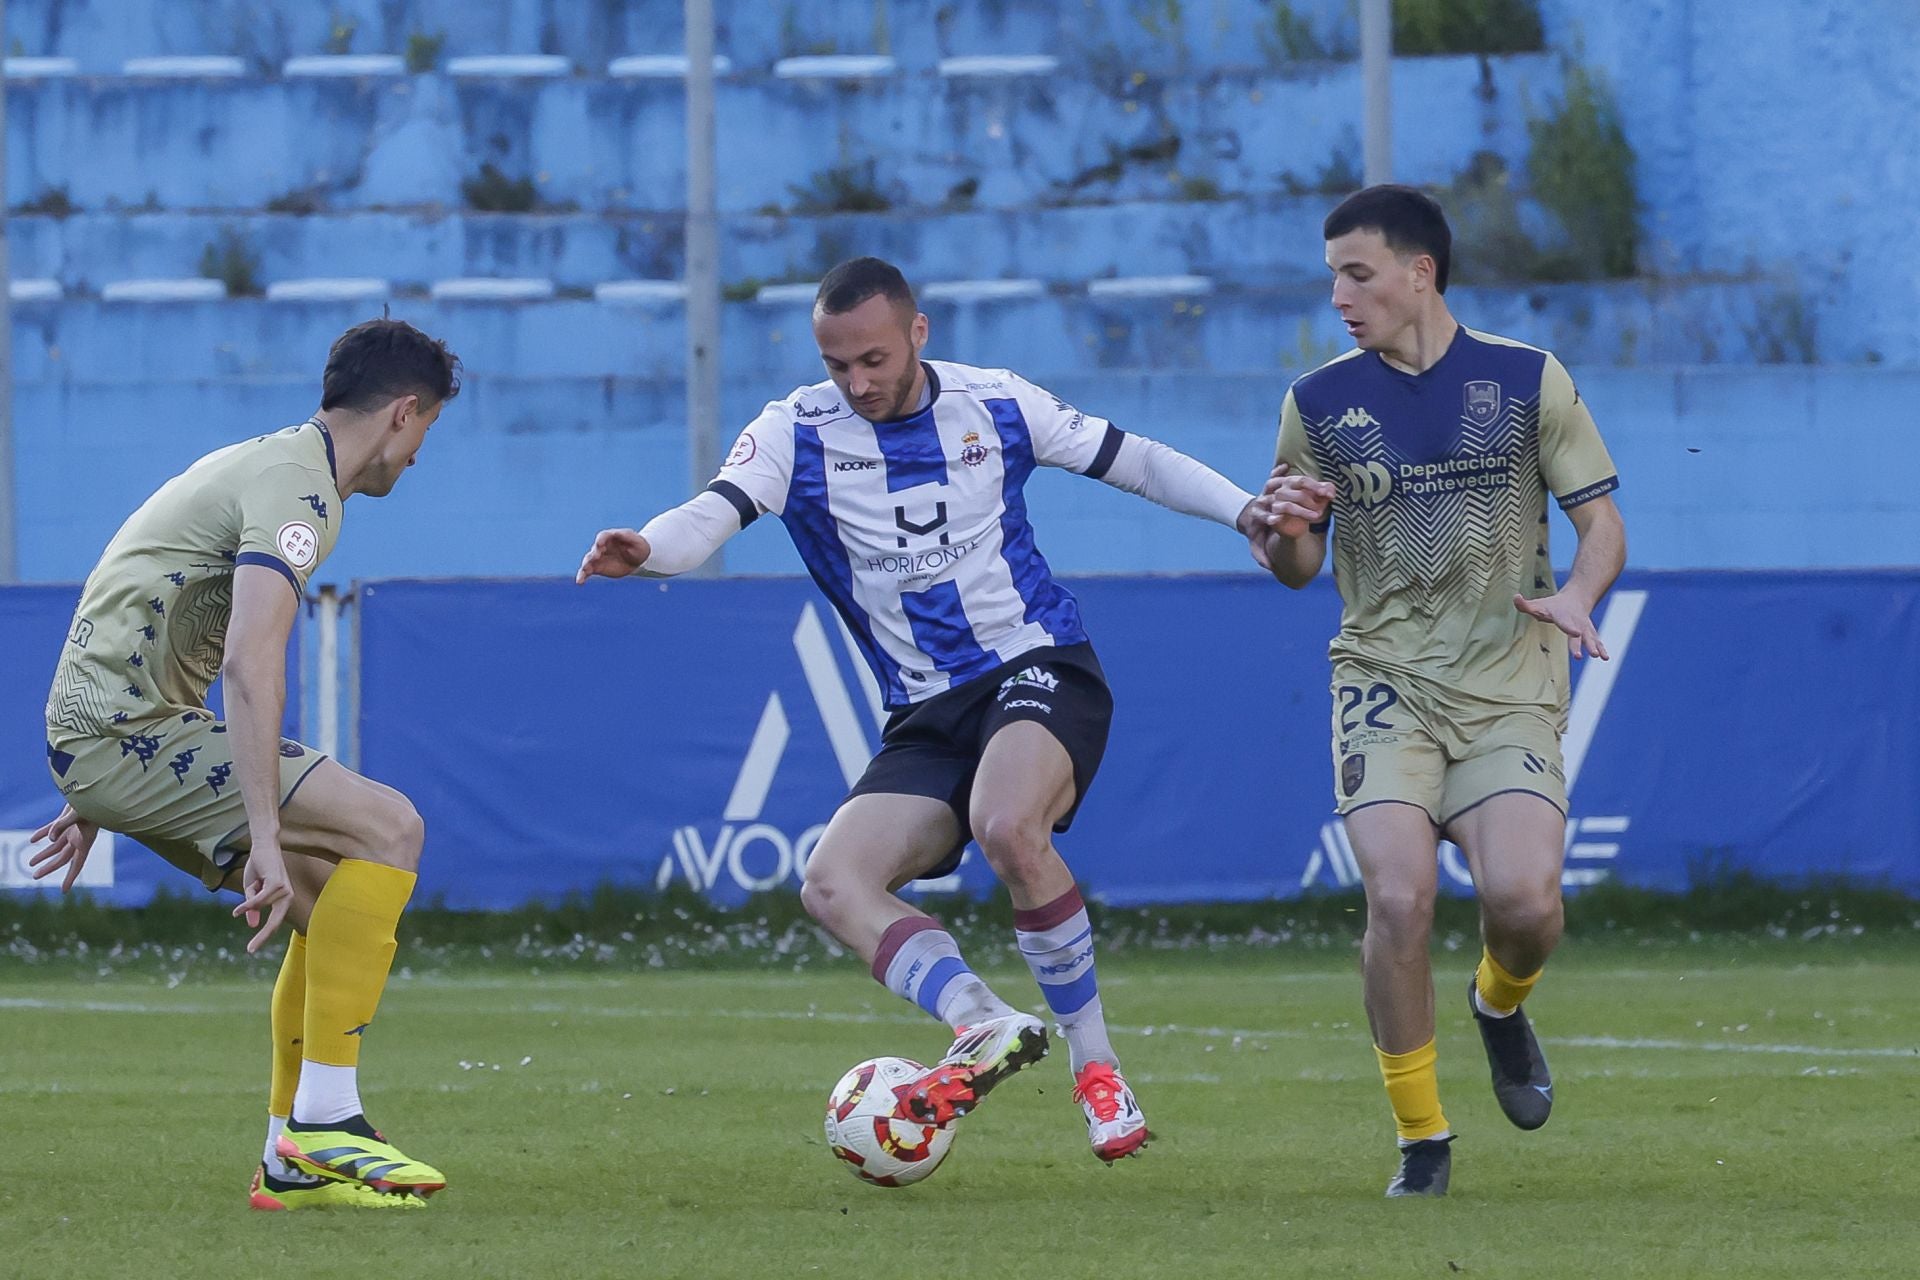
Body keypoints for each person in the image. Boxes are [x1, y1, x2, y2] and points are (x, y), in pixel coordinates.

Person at [578, 256, 1262, 1162]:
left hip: (1036, 664)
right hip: (926, 715)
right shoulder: (796, 431)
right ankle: (982, 1022)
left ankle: (1097, 1068)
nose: (857, 383)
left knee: (1009, 823)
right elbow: (716, 511)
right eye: (837, 366)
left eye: (873, 359)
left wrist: (1245, 510)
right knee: (830, 880)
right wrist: (651, 547)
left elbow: (1132, 461)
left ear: (917, 333)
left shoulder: (997, 403)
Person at [30, 317, 463, 1211]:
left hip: (118, 732)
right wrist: (259, 828)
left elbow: (136, 584)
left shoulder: (270, 462)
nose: (418, 457)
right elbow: (248, 658)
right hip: (127, 732)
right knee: (391, 827)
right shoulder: (302, 494)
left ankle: (286, 1157)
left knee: (323, 897)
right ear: (405, 413)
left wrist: (103, 781)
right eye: (425, 434)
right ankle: (327, 1118)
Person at [1250, 186, 1627, 1197]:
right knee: (1400, 893)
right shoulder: (1319, 402)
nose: (1338, 293)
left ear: (1420, 273)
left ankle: (1499, 1003)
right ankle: (1422, 1136)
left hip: (1508, 683)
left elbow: (1600, 524)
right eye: (1331, 274)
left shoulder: (1524, 378)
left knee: (1524, 902)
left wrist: (1582, 595)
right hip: (1383, 682)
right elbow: (1295, 564)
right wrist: (1282, 529)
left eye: (1357, 272)